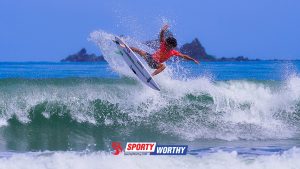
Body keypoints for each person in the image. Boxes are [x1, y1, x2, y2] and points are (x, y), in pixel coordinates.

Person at [130, 25, 199, 76]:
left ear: (172, 46)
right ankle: (126, 48)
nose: (166, 45)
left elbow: (184, 56)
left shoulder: (173, 52)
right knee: (140, 51)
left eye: (169, 45)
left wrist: (193, 59)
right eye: (166, 44)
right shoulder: (163, 44)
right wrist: (163, 30)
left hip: (155, 64)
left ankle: (151, 76)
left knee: (163, 66)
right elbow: (161, 36)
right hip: (150, 58)